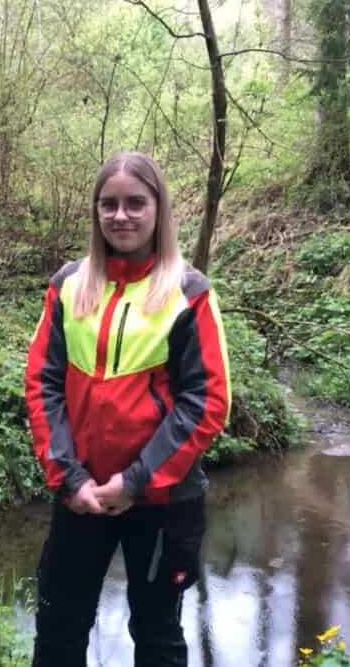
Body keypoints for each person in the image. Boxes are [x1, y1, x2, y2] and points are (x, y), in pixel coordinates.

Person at [25, 151, 231, 667]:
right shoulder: (68, 285)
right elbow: (43, 383)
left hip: (163, 501)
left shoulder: (189, 292)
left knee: (157, 634)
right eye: (109, 204)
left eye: (135, 203)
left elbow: (207, 402)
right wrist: (69, 478)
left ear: (158, 209)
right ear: (95, 212)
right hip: (81, 495)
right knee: (58, 628)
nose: (121, 215)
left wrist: (135, 481)